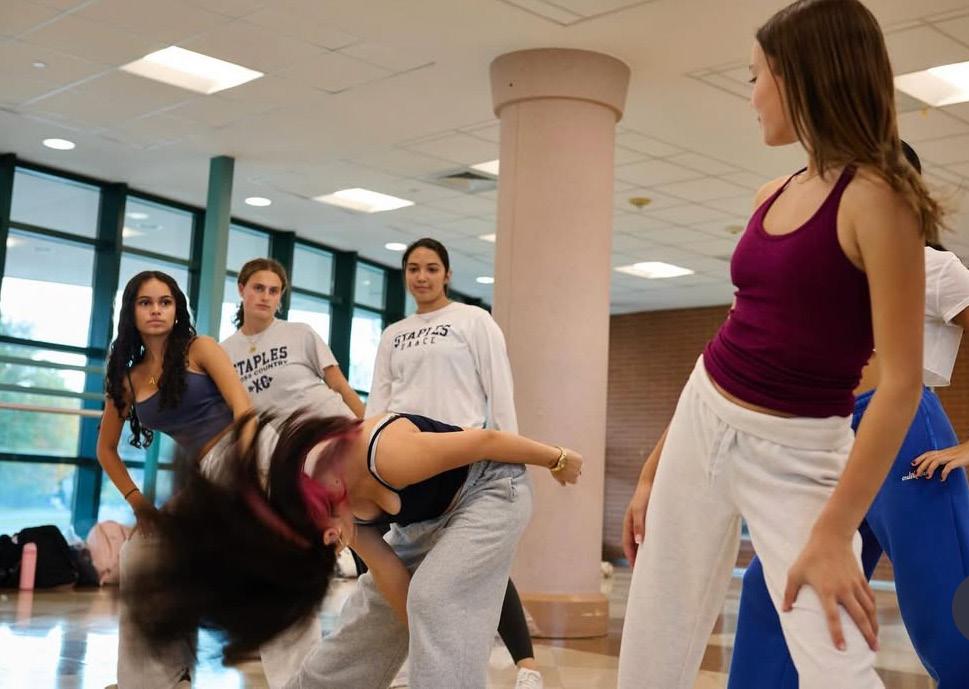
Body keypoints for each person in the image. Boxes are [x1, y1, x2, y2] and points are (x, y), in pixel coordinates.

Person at [616, 1, 941, 687]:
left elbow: (902, 382)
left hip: (797, 451)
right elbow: (736, 331)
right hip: (704, 412)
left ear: (801, 77)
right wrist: (653, 467)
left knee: (835, 651)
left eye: (754, 76)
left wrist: (836, 529)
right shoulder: (774, 191)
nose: (751, 95)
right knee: (656, 629)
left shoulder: (880, 200)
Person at [728, 147, 969, 689]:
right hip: (830, 438)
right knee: (778, 591)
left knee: (948, 612)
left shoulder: (932, 267)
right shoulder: (824, 269)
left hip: (907, 440)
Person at [122, 408, 583, 689]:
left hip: (492, 489)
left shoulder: (385, 455)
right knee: (372, 608)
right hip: (427, 519)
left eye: (322, 532)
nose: (331, 540)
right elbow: (397, 590)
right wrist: (430, 639)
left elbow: (486, 440)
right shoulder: (332, 506)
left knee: (436, 595)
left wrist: (558, 458)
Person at [96, 271, 305, 689]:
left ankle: (303, 681)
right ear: (131, 312)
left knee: (270, 569)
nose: (156, 310)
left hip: (249, 451)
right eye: (145, 303)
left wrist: (245, 474)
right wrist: (139, 503)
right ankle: (155, 680)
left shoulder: (200, 348)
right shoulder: (128, 380)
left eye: (165, 302)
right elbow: (106, 449)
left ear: (177, 308)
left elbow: (244, 411)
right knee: (140, 554)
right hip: (206, 471)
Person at [368, 237, 541, 689]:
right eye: (413, 268)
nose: (421, 277)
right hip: (408, 469)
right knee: (417, 578)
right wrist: (370, 464)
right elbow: (378, 405)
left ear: (447, 274)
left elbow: (499, 390)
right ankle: (423, 670)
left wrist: (510, 456)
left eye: (431, 268)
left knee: (470, 576)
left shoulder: (473, 320)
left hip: (464, 464)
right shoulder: (393, 333)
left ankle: (522, 666)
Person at [221, 257, 363, 420]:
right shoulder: (224, 353)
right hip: (290, 435)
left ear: (280, 295)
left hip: (339, 423)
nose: (265, 297)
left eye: (273, 291)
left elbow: (340, 386)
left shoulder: (301, 333)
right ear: (241, 289)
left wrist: (372, 429)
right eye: (258, 288)